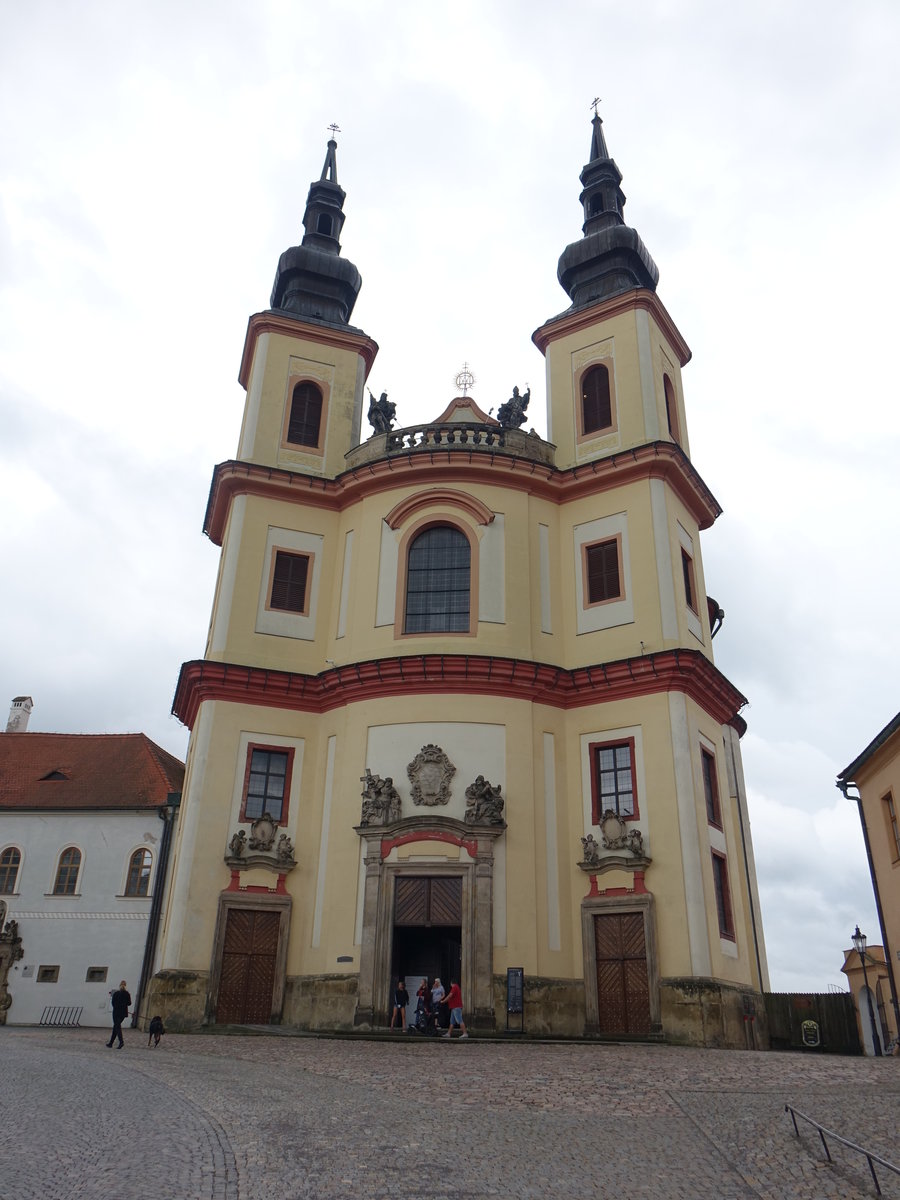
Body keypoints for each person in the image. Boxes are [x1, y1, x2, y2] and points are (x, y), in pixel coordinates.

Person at [107, 980, 131, 1049]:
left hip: (116, 1012)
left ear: (119, 985)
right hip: (123, 1013)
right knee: (116, 1027)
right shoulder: (127, 994)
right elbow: (129, 1003)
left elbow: (113, 1003)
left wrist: (117, 1006)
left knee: (117, 1026)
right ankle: (111, 1043)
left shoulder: (116, 993)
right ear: (125, 986)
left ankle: (121, 1041)